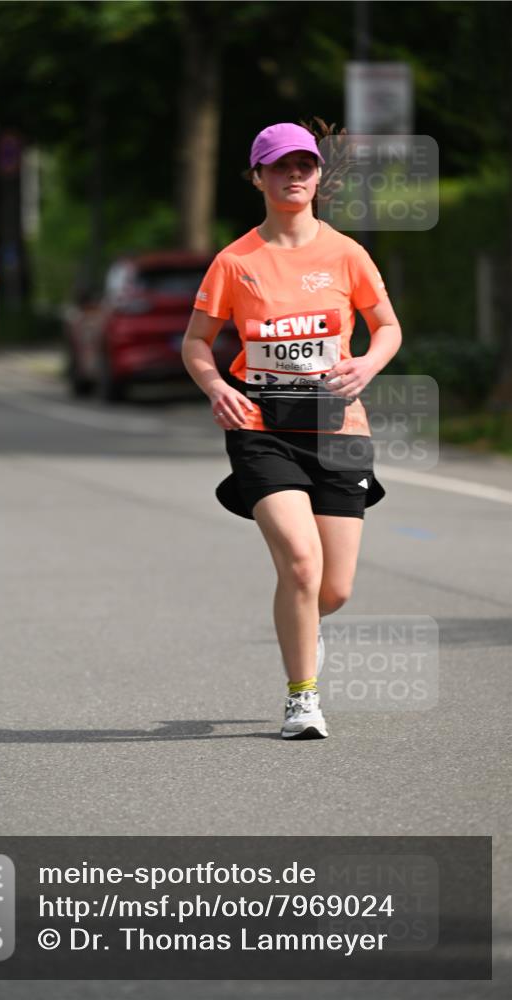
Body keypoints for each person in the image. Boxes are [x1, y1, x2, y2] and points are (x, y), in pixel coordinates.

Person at [182, 121, 402, 739]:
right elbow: (197, 342)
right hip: (261, 426)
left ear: (317, 176)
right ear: (258, 177)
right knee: (301, 566)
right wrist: (217, 386)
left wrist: (369, 362)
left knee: (333, 590)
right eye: (280, 166)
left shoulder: (347, 254)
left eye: (304, 165)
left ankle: (308, 627)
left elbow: (386, 327)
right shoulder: (235, 261)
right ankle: (302, 697)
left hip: (337, 428)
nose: (294, 175)